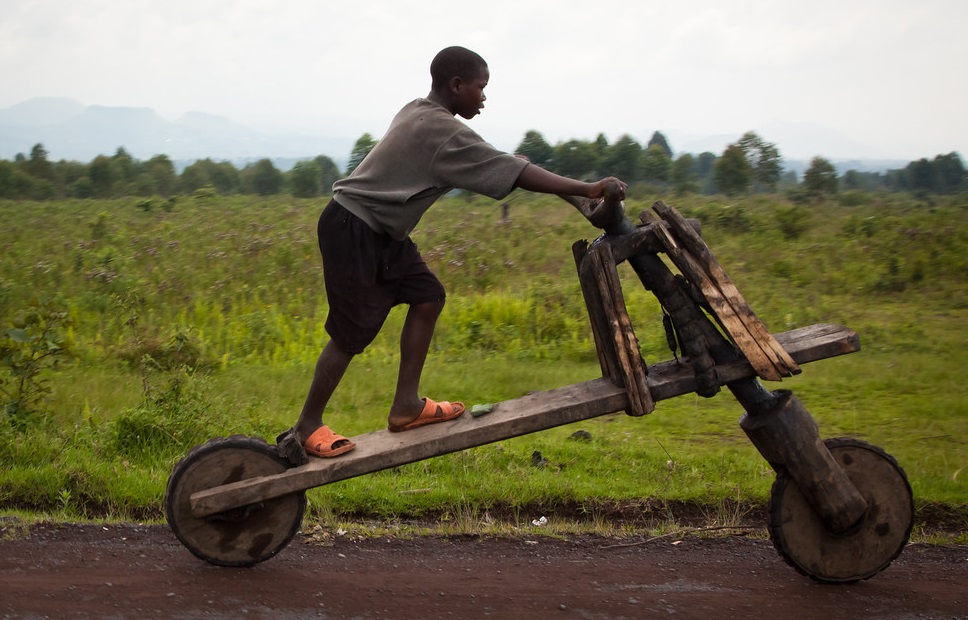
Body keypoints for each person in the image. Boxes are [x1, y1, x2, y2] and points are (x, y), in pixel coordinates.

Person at [279, 46, 627, 463]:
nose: (483, 97)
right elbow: (512, 172)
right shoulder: (441, 130)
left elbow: (497, 164)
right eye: (480, 88)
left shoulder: (419, 111)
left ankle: (406, 406)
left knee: (428, 296)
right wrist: (588, 189)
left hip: (382, 232)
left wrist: (512, 165)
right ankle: (306, 426)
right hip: (353, 227)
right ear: (456, 85)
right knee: (352, 334)